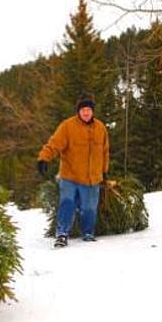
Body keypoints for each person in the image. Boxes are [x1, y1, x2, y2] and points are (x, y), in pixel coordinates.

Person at [37, 93, 109, 248]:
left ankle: (88, 233)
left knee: (89, 209)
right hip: (70, 176)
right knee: (67, 202)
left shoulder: (100, 128)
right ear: (78, 111)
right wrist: (44, 158)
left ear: (92, 111)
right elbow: (54, 144)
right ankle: (62, 234)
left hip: (92, 178)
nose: (86, 112)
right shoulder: (67, 126)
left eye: (88, 109)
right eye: (83, 109)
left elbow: (105, 152)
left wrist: (104, 171)